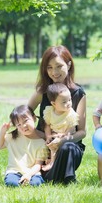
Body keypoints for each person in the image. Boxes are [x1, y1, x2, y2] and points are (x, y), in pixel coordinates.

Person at [28, 45, 86, 185]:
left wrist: (63, 140)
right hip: (44, 144)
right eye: (49, 67)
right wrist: (40, 133)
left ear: (69, 65)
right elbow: (26, 112)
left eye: (59, 66)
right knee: (41, 151)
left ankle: (59, 177)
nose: (54, 72)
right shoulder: (42, 91)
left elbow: (82, 132)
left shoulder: (78, 93)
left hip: (68, 148)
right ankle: (54, 176)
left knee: (68, 148)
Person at [0, 105, 48, 187]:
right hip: (15, 171)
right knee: (11, 183)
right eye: (18, 124)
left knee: (36, 183)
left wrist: (29, 175)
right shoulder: (13, 137)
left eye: (25, 121)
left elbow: (38, 164)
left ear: (34, 118)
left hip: (33, 172)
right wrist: (3, 132)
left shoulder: (41, 142)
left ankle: (28, 180)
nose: (23, 126)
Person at [42, 82, 79, 171]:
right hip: (52, 135)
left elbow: (71, 129)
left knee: (55, 146)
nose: (69, 103)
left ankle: (52, 163)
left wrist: (63, 135)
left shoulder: (71, 114)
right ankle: (47, 160)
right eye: (64, 102)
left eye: (69, 100)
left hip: (64, 136)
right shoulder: (49, 111)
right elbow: (47, 125)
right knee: (44, 144)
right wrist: (48, 136)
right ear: (54, 104)